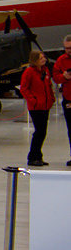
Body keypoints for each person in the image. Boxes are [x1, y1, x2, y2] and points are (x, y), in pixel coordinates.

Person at [22, 50, 54, 167]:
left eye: (44, 58)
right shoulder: (29, 72)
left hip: (45, 105)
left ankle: (38, 156)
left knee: (42, 132)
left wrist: (51, 98)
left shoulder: (45, 71)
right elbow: (24, 89)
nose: (44, 60)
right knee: (39, 132)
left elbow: (48, 85)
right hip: (36, 107)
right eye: (41, 58)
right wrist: (33, 100)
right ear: (35, 60)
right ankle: (32, 157)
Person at [54, 36, 71, 165]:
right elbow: (56, 78)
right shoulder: (61, 60)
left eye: (70, 48)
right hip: (69, 99)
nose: (68, 51)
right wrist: (64, 77)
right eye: (66, 48)